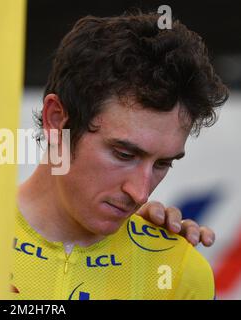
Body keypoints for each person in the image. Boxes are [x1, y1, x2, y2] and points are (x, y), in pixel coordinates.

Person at [12, 11, 229, 299]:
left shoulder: (178, 271)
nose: (140, 193)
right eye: (124, 154)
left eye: (163, 163)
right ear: (56, 120)